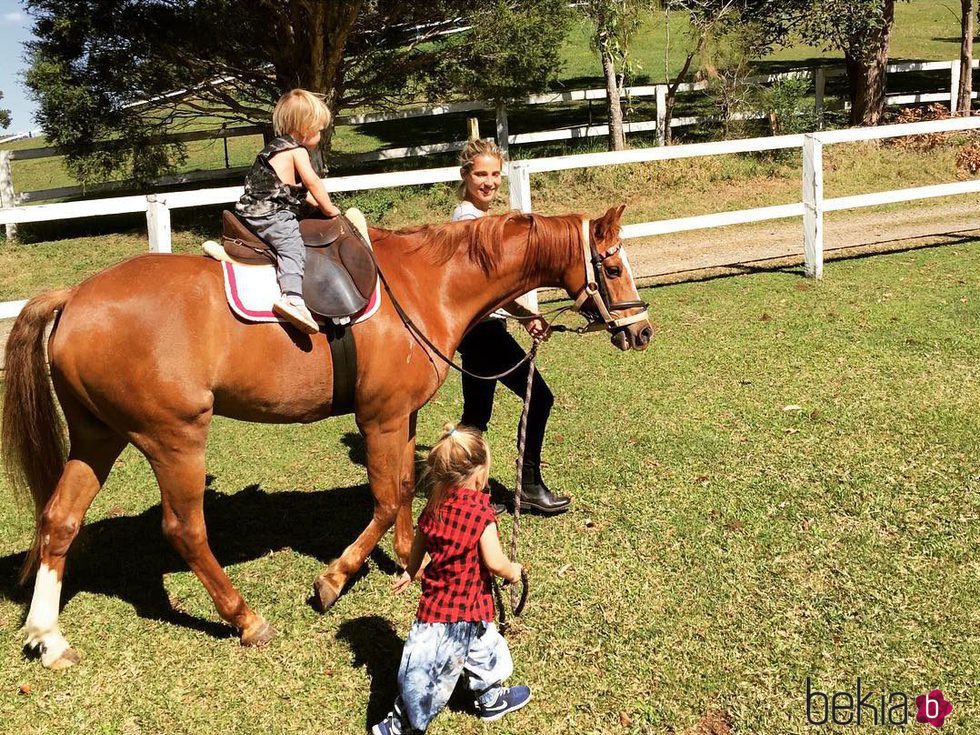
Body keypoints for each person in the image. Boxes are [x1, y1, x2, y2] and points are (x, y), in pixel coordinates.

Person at [371, 424, 531, 735]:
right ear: (479, 476)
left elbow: (418, 543)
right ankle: (399, 723)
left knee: (486, 649)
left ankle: (491, 698)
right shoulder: (480, 514)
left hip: (464, 609)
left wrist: (410, 570)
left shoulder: (433, 508)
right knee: (425, 673)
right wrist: (513, 570)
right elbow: (494, 562)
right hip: (450, 616)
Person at [451, 138, 572, 515]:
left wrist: (523, 315)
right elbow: (490, 286)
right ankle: (528, 487)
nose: (489, 182)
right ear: (466, 176)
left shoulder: (479, 218)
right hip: (482, 332)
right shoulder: (467, 221)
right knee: (540, 399)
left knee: (475, 417)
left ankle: (462, 491)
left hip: (481, 332)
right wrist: (526, 315)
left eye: (494, 175)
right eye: (481, 174)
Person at [236, 89, 342, 334]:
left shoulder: (274, 148)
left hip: (251, 210)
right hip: (270, 214)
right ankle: (292, 297)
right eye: (318, 129)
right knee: (292, 245)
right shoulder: (297, 151)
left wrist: (314, 204)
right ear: (304, 128)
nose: (320, 134)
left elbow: (295, 191)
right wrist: (330, 209)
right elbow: (313, 183)